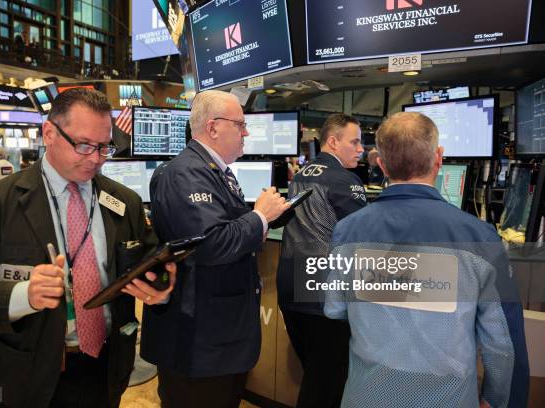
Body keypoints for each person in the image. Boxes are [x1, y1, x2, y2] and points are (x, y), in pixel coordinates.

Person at [0, 88, 177, 408]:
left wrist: (160, 287)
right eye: (84, 145)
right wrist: (23, 296)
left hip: (106, 368)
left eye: (105, 147)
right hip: (27, 375)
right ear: (49, 132)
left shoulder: (125, 202)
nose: (96, 158)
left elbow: (144, 262)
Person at [325, 112, 529, 408]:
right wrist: (496, 400)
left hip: (365, 396)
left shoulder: (347, 231)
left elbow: (334, 308)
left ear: (381, 164)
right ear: (439, 158)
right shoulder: (479, 237)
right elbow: (502, 344)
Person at [141, 90, 290, 408]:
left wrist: (257, 225)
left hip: (219, 338)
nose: (246, 132)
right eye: (240, 124)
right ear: (212, 127)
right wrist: (260, 217)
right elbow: (210, 244)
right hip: (199, 342)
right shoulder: (185, 173)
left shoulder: (210, 171)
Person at [276, 113, 366, 408]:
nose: (361, 148)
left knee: (316, 377)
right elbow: (364, 236)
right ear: (333, 141)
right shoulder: (343, 179)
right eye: (354, 141)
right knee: (325, 387)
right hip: (324, 296)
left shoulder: (301, 174)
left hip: (291, 290)